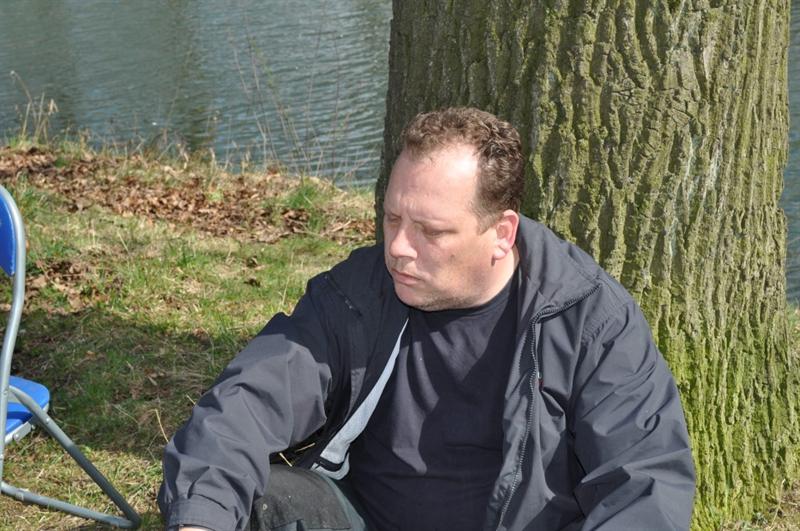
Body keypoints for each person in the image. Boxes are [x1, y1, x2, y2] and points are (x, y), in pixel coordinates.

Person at [158, 107, 696, 531]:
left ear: (502, 233)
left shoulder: (590, 322)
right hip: (364, 518)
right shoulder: (359, 291)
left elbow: (643, 482)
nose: (398, 248)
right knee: (263, 500)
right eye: (392, 218)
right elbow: (246, 402)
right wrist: (200, 519)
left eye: (430, 231)